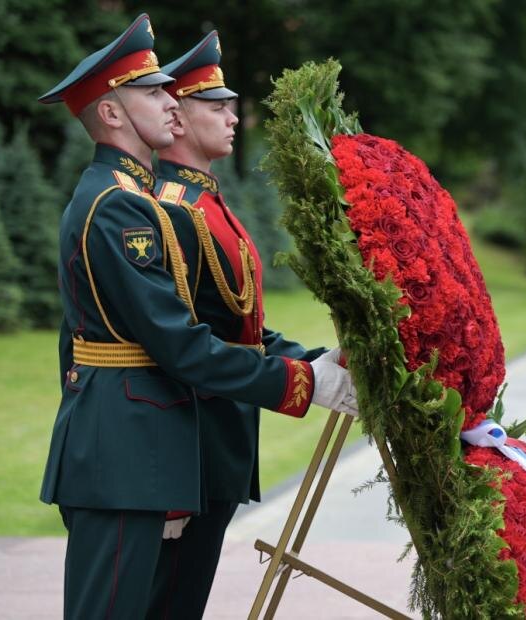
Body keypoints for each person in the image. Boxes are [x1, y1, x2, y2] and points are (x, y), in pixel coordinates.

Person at [37, 15, 357, 618]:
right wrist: (307, 382)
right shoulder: (115, 208)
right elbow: (178, 346)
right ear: (111, 114)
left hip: (142, 451)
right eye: (153, 92)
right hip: (123, 455)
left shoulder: (129, 201)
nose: (170, 103)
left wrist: (309, 364)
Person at [146, 31, 331, 616]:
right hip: (190, 449)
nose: (232, 116)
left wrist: (316, 361)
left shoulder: (206, 203)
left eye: (231, 105)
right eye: (215, 106)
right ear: (175, 120)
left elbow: (240, 326)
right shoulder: (173, 210)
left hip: (219, 442)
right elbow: (176, 344)